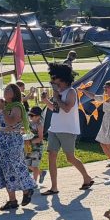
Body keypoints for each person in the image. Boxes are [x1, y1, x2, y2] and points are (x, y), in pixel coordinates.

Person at [0, 83, 35, 211]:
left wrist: (3, 109)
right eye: (5, 89)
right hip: (1, 140)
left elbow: (11, 121)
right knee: (4, 169)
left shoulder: (17, 107)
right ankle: (12, 200)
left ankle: (27, 189)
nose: (5, 91)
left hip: (13, 140)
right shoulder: (3, 105)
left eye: (9, 89)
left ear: (15, 93)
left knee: (16, 166)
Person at [42, 63, 94, 193]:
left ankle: (87, 177)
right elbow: (55, 109)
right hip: (54, 128)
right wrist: (46, 101)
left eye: (54, 78)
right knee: (51, 156)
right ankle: (54, 187)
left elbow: (66, 108)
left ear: (63, 78)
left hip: (68, 130)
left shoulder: (71, 92)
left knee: (70, 158)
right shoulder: (58, 92)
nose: (52, 81)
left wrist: (56, 98)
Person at [25, 105, 46, 182]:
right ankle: (41, 173)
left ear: (38, 116)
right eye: (29, 115)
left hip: (37, 147)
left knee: (34, 165)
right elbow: (26, 131)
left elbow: (40, 138)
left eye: (32, 115)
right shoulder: (30, 123)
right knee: (26, 163)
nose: (30, 117)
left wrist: (31, 142)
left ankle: (34, 182)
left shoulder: (39, 125)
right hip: (28, 145)